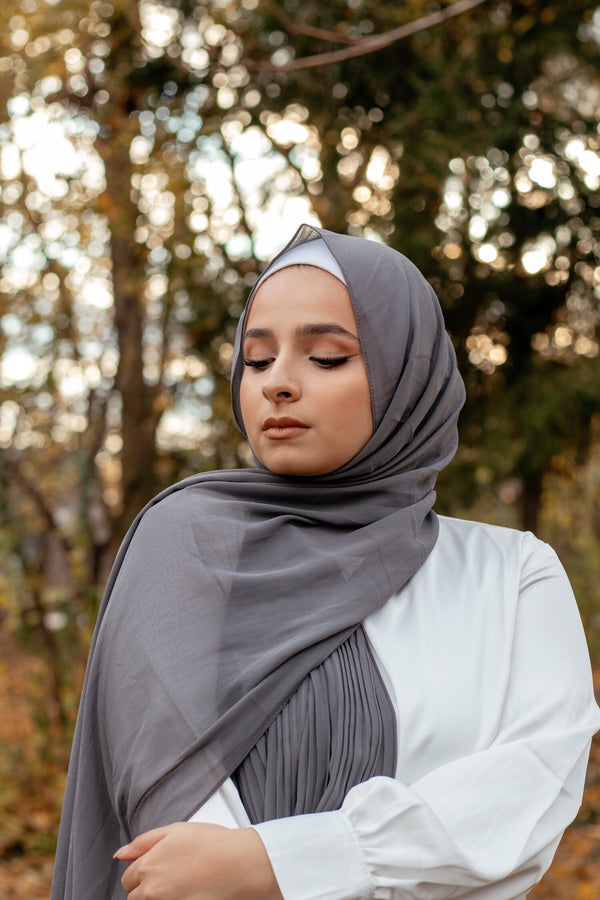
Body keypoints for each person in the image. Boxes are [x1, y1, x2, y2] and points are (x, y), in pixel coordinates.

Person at [51, 224, 600, 900]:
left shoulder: (512, 574)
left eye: (328, 357)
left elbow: (531, 787)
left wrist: (280, 862)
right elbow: (173, 820)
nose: (278, 383)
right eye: (256, 361)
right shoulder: (187, 547)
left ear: (410, 377)